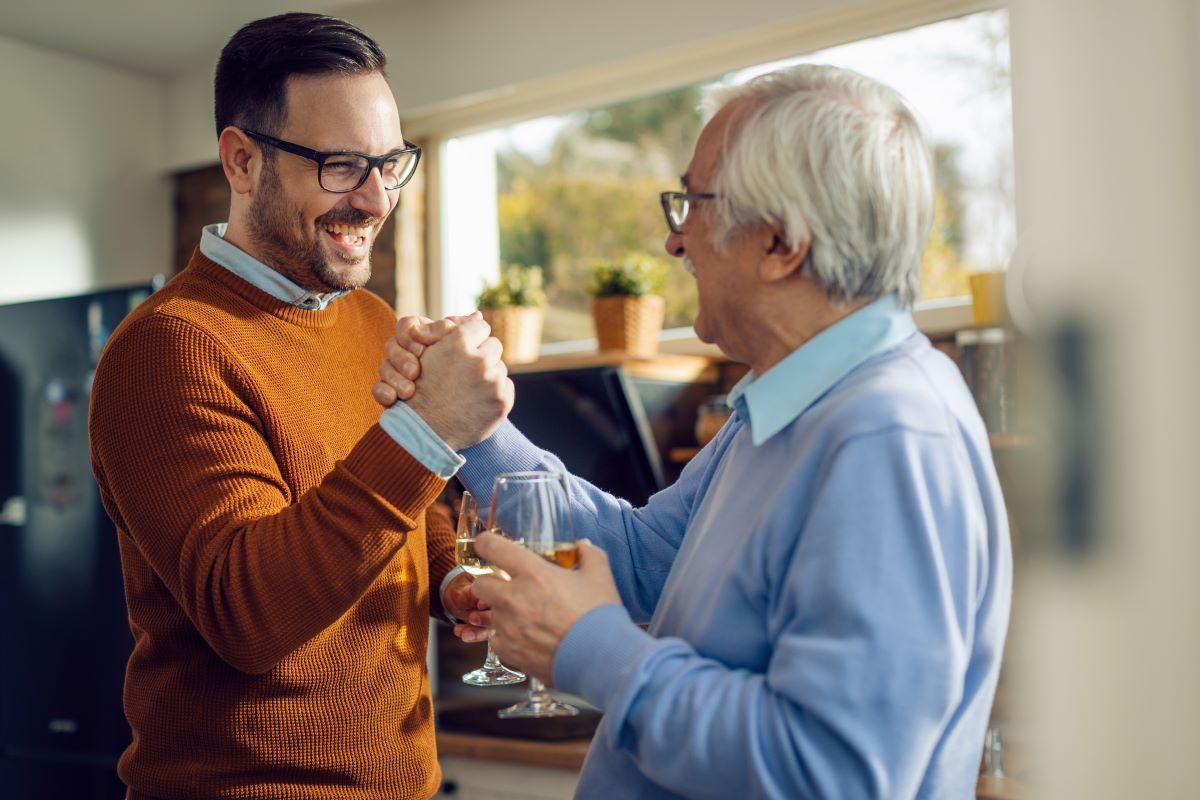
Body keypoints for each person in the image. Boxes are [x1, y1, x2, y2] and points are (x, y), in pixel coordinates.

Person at [376, 64, 1012, 799]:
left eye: (694, 205)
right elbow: (648, 562)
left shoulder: (887, 436)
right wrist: (477, 425)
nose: (676, 243)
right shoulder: (786, 403)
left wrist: (590, 647)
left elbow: (832, 776)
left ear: (781, 242)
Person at [88, 13, 510, 800]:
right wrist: (428, 432)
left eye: (390, 163)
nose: (377, 198)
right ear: (242, 161)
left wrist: (452, 580)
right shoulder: (168, 350)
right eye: (343, 165)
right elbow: (249, 615)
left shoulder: (371, 318)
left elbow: (404, 512)